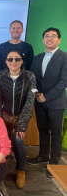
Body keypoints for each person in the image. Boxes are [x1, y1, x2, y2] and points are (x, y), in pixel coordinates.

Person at [0, 49, 36, 188]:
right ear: (6, 61)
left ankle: (20, 170)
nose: (13, 62)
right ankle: (1, 166)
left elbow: (30, 101)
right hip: (4, 115)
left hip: (20, 116)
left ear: (22, 61)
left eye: (17, 59)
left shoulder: (30, 76)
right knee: (1, 141)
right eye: (10, 59)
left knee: (18, 140)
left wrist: (21, 124)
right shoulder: (0, 76)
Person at [27, 28, 67, 178]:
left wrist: (47, 96)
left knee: (56, 134)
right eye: (46, 36)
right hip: (39, 101)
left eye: (53, 36)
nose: (49, 38)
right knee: (42, 130)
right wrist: (37, 94)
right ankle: (43, 156)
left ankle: (54, 162)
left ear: (59, 39)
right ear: (43, 39)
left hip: (56, 103)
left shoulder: (64, 57)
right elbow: (33, 78)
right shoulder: (37, 58)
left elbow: (64, 81)